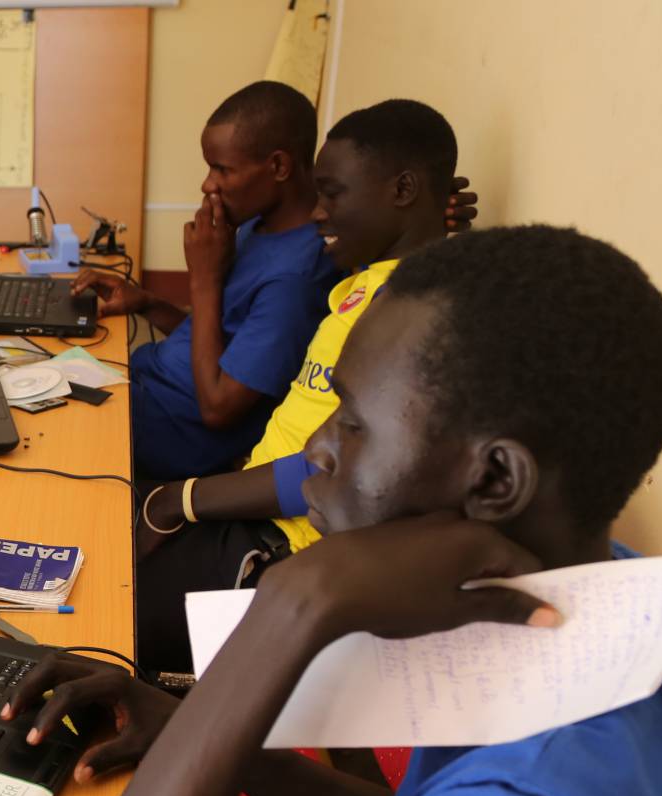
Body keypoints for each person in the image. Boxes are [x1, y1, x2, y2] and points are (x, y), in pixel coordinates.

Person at [7, 226, 662, 796]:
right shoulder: (628, 599)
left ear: (495, 480)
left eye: (352, 422)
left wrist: (295, 602)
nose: (317, 449)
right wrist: (198, 731)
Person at [133, 98, 459, 675]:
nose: (317, 213)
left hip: (277, 551)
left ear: (403, 190)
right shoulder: (368, 281)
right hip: (252, 507)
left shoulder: (410, 315)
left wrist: (178, 500)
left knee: (90, 597)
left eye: (332, 195)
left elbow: (338, 469)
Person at [78, 80, 342, 481]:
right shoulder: (255, 225)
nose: (208, 184)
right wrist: (147, 302)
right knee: (11, 379)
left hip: (168, 434)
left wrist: (203, 278)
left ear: (278, 167)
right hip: (143, 387)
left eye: (222, 169)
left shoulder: (296, 280)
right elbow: (218, 332)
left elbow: (218, 408)